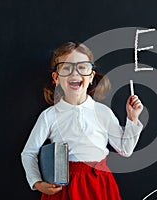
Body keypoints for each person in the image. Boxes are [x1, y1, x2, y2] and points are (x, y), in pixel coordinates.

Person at [21, 41, 144, 200]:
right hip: (64, 188)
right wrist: (37, 182)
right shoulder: (49, 115)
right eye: (66, 68)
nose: (75, 74)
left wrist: (132, 118)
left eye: (82, 67)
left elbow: (125, 150)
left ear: (91, 76)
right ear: (56, 78)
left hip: (100, 185)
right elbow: (29, 153)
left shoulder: (103, 112)